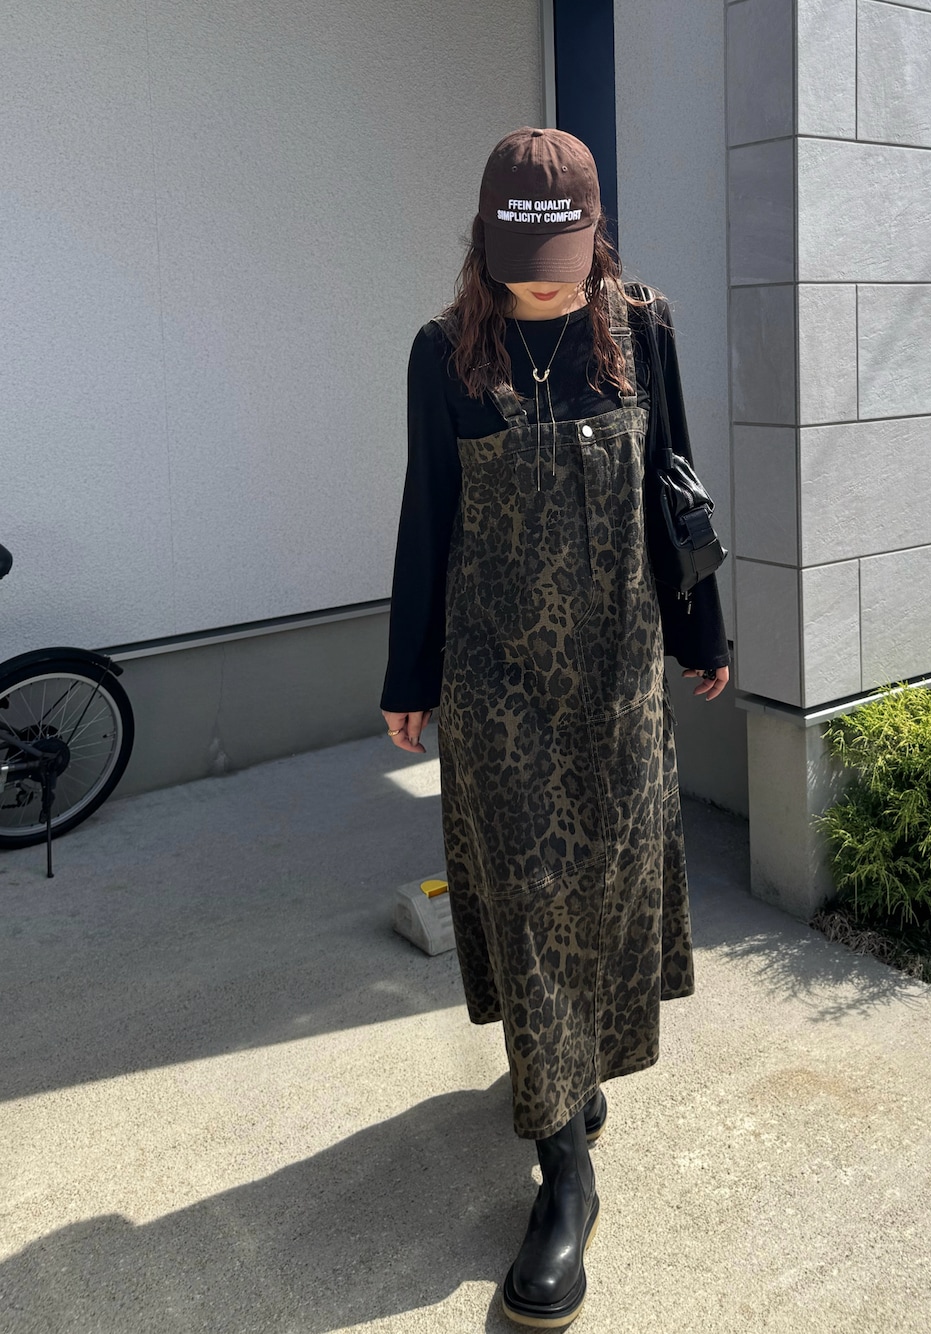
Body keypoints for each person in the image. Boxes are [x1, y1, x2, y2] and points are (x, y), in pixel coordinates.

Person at [379, 127, 730, 1328]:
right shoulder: (443, 353)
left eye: (564, 262)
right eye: (523, 264)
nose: (545, 285)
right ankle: (563, 1169)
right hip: (495, 680)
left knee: (608, 887)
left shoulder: (641, 327)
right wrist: (408, 670)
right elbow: (429, 516)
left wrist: (702, 630)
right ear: (485, 240)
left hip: (617, 671)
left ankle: (572, 1073)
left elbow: (673, 480)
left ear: (595, 237)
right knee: (527, 897)